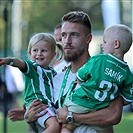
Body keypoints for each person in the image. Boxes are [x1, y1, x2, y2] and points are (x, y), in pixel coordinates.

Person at [7, 11, 123, 133]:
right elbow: (44, 124)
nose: (67, 41)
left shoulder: (105, 72)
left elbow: (113, 116)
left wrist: (72, 117)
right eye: (63, 35)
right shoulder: (55, 78)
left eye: (74, 35)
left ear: (88, 38)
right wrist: (30, 119)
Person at [60, 24, 133, 133]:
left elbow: (80, 75)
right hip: (101, 107)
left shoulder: (98, 60)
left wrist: (81, 81)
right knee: (107, 130)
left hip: (82, 101)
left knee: (66, 127)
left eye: (104, 42)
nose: (102, 45)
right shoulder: (127, 73)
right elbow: (128, 99)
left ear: (116, 44)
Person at [0, 33, 63, 133]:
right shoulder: (33, 67)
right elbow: (21, 63)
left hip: (47, 106)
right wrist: (9, 60)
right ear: (30, 53)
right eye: (35, 50)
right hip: (39, 105)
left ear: (53, 54)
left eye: (44, 51)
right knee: (54, 126)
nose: (39, 54)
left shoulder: (52, 71)